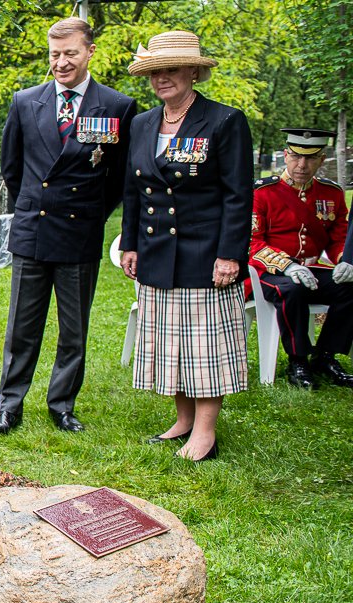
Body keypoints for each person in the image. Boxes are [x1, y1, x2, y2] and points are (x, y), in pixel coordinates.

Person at [0, 18, 136, 435]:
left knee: (73, 330)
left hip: (80, 232)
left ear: (90, 52)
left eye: (70, 53)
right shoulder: (25, 100)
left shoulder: (117, 107)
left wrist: (90, 212)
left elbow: (119, 180)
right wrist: (34, 207)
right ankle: (9, 406)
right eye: (55, 54)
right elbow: (11, 168)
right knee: (22, 327)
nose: (61, 62)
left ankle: (62, 405)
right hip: (32, 231)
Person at [119, 30, 253, 462]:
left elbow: (238, 195)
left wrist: (230, 254)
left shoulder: (223, 120)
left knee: (203, 346)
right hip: (157, 253)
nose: (163, 78)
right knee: (169, 342)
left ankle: (206, 432)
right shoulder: (142, 123)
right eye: (155, 71)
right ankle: (183, 420)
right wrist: (131, 244)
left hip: (204, 253)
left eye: (171, 68)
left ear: (194, 71)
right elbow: (133, 190)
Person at [250, 127, 353, 388]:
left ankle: (326, 355)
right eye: (296, 156)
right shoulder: (263, 192)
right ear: (285, 155)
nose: (302, 164)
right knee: (292, 290)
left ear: (321, 159)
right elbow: (252, 241)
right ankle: (298, 360)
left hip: (313, 269)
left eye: (310, 158)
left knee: (350, 287)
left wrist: (345, 260)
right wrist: (286, 266)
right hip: (270, 273)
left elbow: (339, 237)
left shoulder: (332, 194)